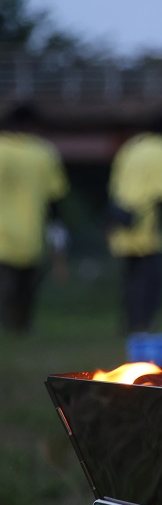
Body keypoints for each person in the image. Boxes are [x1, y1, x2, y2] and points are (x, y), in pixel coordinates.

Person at [107, 112, 162, 333]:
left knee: (129, 279)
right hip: (149, 226)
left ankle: (128, 322)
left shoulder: (131, 147)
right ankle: (144, 323)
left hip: (123, 222)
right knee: (150, 280)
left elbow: (115, 186)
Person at [0, 104, 69, 333]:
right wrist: (57, 236)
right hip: (30, 235)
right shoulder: (43, 153)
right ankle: (21, 326)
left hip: (2, 237)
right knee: (25, 288)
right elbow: (55, 198)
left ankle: (7, 326)